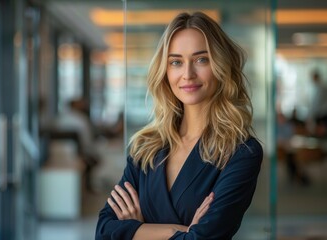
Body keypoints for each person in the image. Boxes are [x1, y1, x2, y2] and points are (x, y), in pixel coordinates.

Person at [95, 11, 263, 239]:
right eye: (176, 62)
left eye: (201, 59)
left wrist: (137, 230)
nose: (187, 74)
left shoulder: (241, 152)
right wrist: (183, 231)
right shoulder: (146, 147)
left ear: (221, 66)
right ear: (165, 72)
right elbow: (104, 231)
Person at [307, 70, 327, 136]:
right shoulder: (317, 87)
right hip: (319, 113)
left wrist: (311, 114)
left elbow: (316, 103)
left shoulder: (321, 87)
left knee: (320, 131)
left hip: (321, 113)